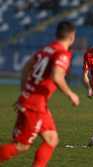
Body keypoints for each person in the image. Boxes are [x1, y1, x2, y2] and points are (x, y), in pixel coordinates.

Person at [0, 21, 80, 167]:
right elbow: (57, 76)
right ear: (71, 36)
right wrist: (71, 94)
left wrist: (25, 92)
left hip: (35, 101)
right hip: (35, 105)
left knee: (51, 139)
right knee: (21, 146)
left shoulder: (47, 48)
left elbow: (26, 67)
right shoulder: (62, 53)